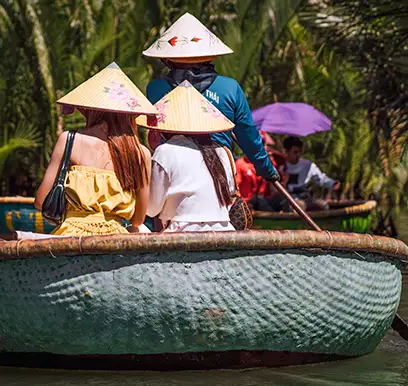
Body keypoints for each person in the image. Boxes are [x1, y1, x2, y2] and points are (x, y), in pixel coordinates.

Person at [143, 13, 280, 187]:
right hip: (219, 176)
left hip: (171, 173)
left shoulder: (155, 89)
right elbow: (249, 137)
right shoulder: (229, 88)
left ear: (167, 59)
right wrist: (266, 170)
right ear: (209, 56)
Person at [34, 63, 155, 236]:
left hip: (70, 237)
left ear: (89, 109)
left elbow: (41, 201)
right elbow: (138, 220)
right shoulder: (140, 153)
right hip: (116, 240)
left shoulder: (70, 140)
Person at [137, 82, 238, 232]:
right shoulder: (222, 152)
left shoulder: (166, 151)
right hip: (225, 230)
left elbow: (151, 209)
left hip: (182, 232)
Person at [282, 136, 340, 211]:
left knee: (323, 205)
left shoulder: (308, 165)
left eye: (299, 152)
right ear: (287, 152)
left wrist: (332, 183)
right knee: (296, 206)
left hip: (305, 198)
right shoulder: (281, 165)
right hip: (288, 200)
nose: (298, 155)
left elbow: (320, 178)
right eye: (295, 152)